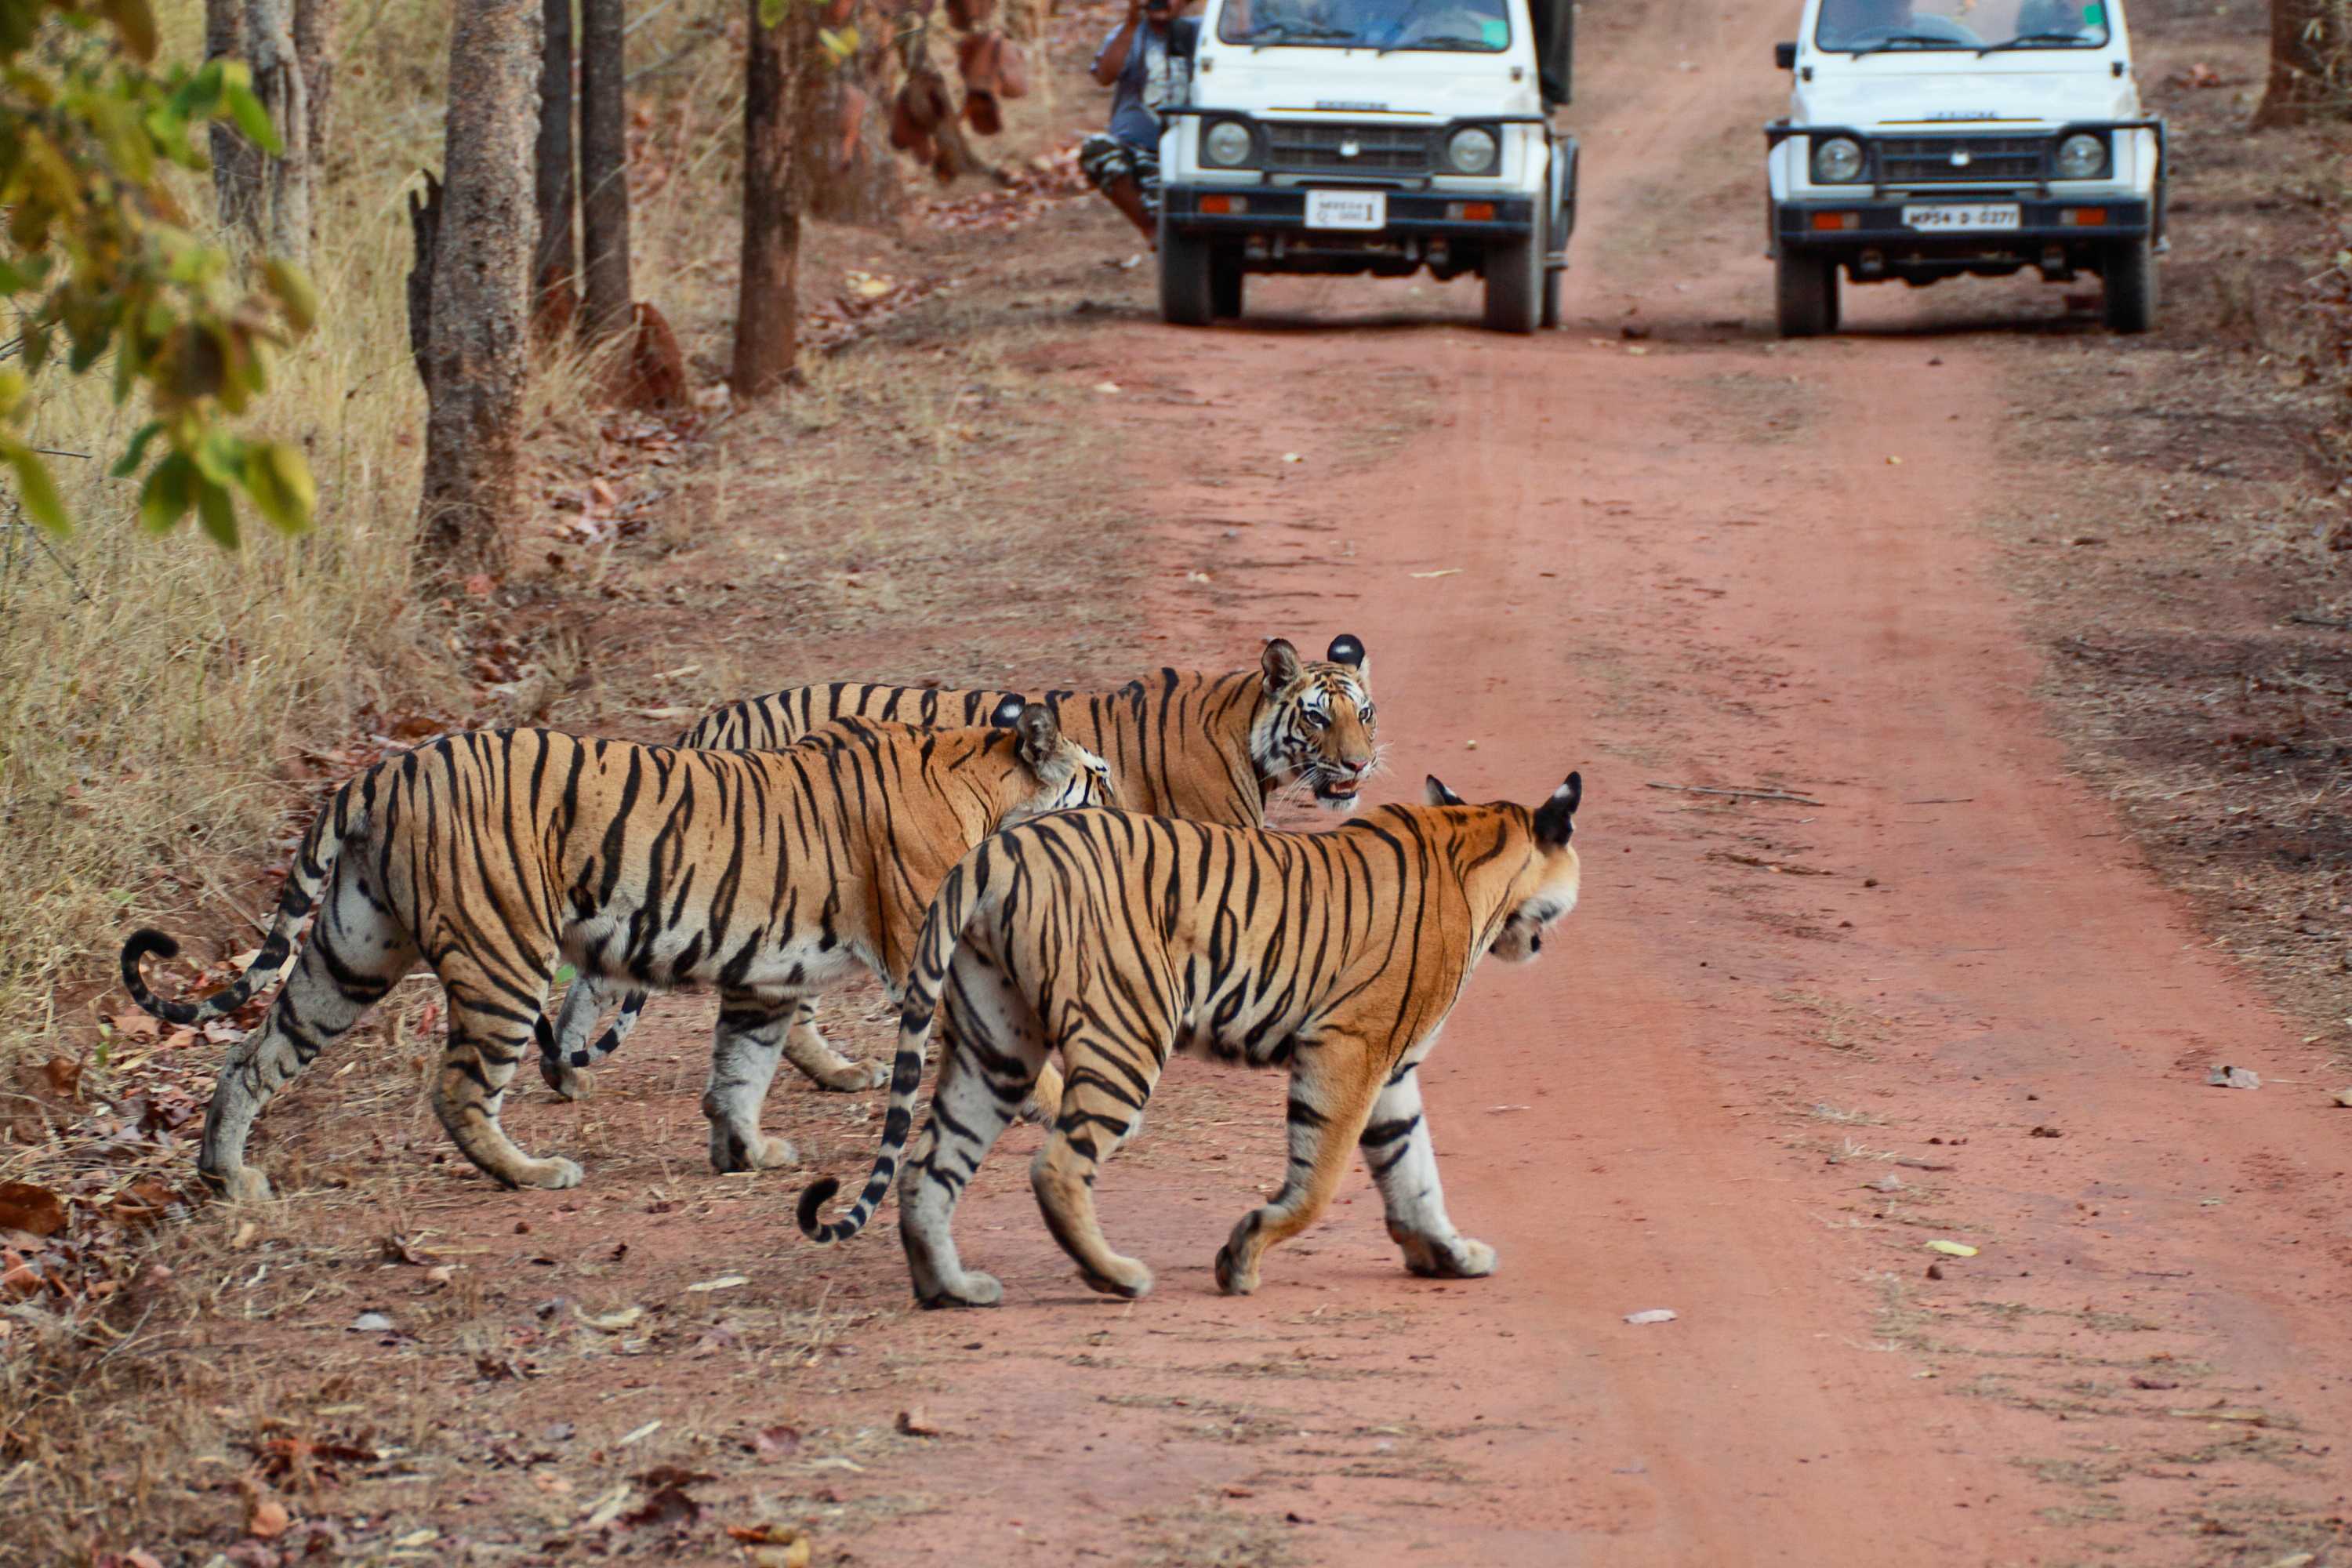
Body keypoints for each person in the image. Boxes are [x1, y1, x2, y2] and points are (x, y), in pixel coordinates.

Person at [1080, 0, 1200, 246]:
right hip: (1134, 149)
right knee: (1097, 150)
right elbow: (1104, 76)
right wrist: (1131, 22)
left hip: (1183, 153)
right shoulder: (1129, 33)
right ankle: (1151, 228)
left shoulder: (1201, 34)